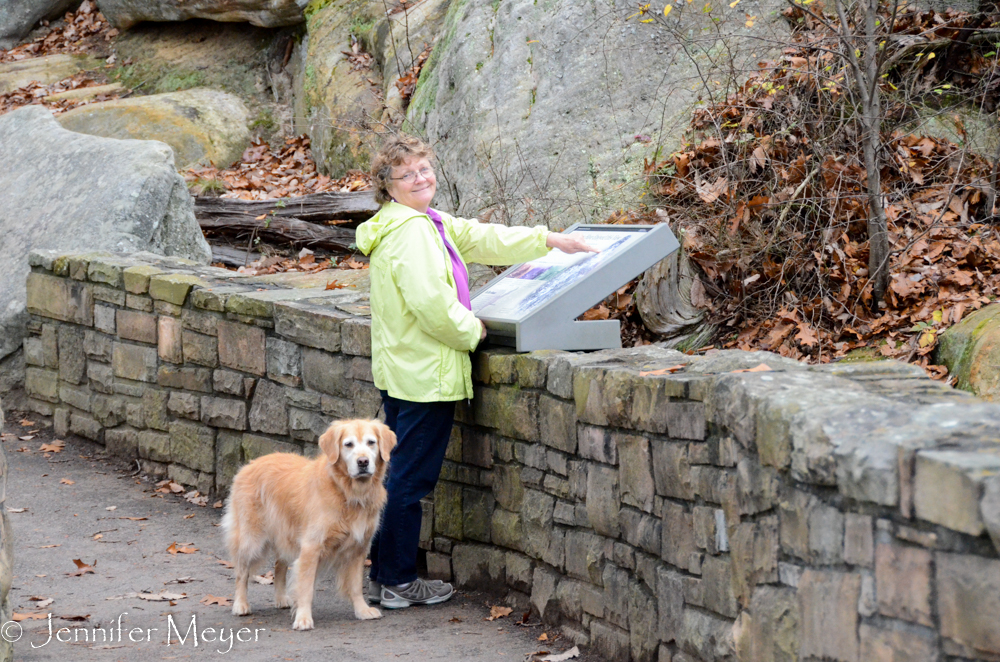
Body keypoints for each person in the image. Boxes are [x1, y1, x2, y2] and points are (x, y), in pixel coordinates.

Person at [355, 134, 596, 609]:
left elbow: (480, 236)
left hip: (405, 369)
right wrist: (473, 332)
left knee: (395, 475)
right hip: (427, 375)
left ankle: (385, 578)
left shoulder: (422, 222)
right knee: (409, 480)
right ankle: (400, 582)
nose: (420, 178)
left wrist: (548, 240)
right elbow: (432, 306)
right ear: (388, 184)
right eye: (407, 174)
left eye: (424, 168)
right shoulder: (412, 232)